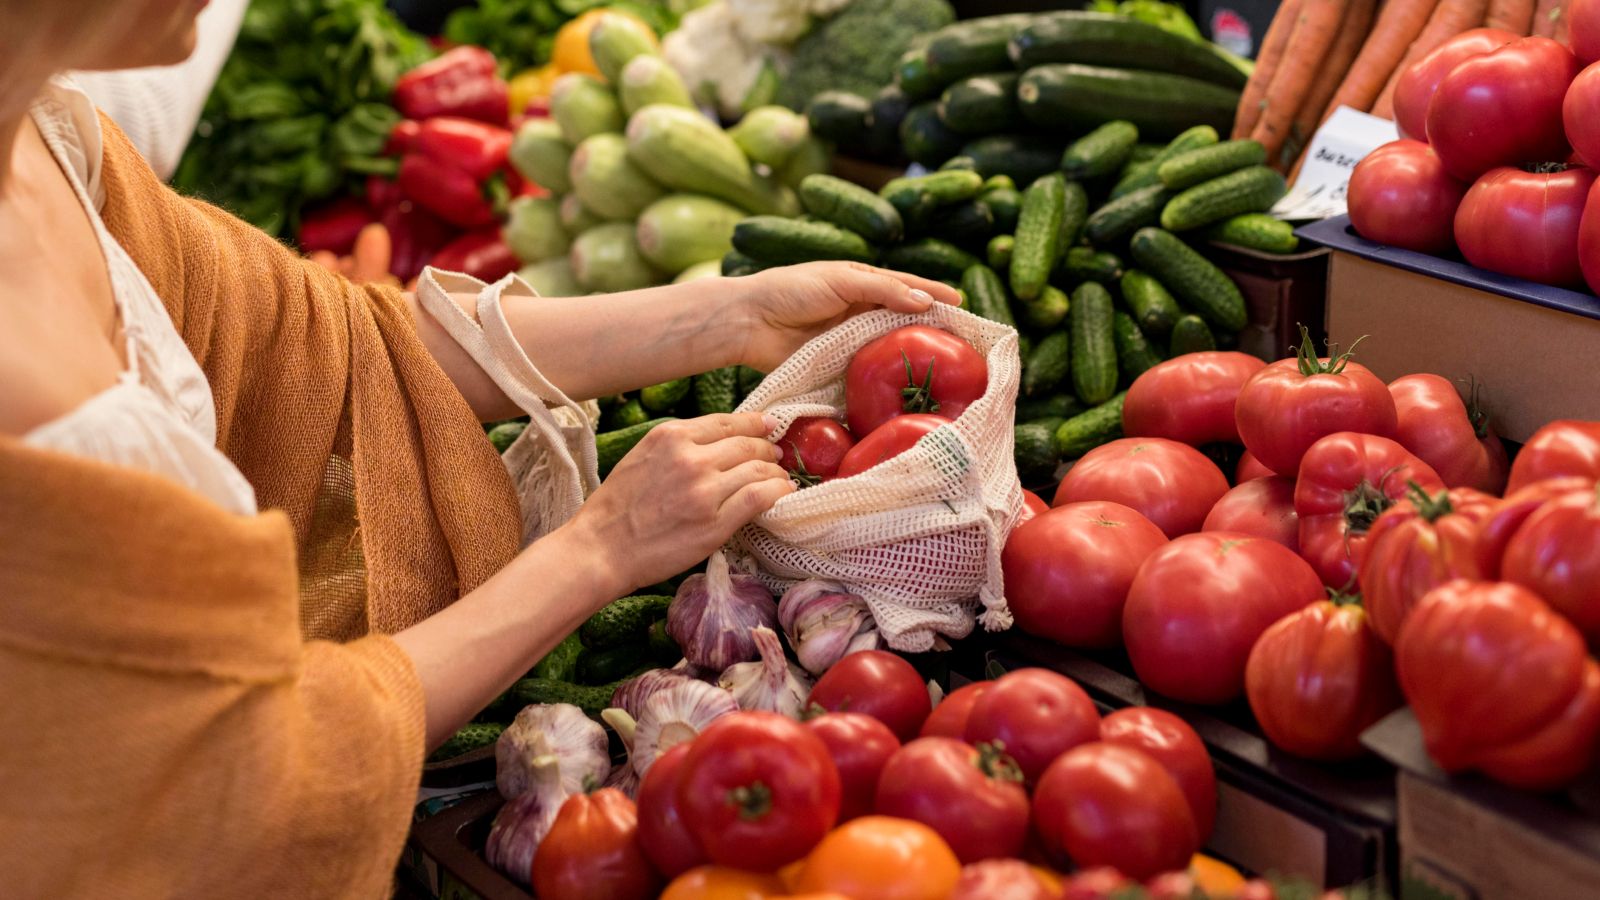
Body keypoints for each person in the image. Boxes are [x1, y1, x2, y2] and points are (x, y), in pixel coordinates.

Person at [0, 2, 958, 897]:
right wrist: (597, 550)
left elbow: (338, 347)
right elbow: (240, 776)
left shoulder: (50, 140)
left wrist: (733, 313)